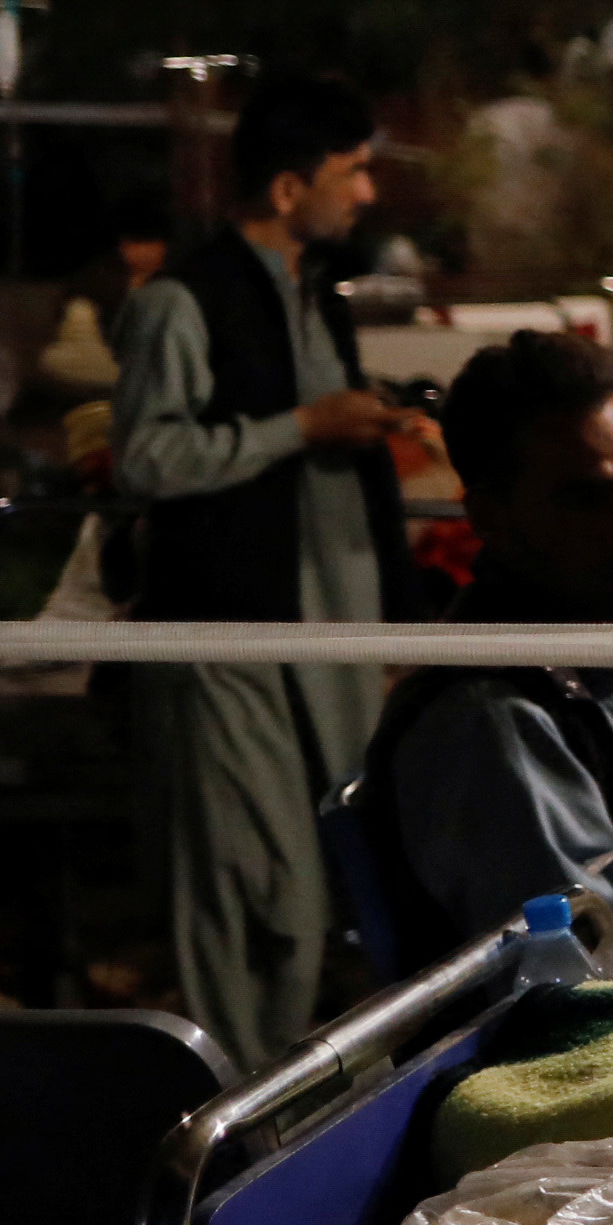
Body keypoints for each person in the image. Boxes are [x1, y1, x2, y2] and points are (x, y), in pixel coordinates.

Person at [112, 69, 429, 1068]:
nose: (367, 193)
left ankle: (272, 1096)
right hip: (230, 634)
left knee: (319, 880)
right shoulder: (181, 301)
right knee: (256, 893)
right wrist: (301, 426)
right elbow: (147, 458)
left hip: (321, 631)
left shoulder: (310, 294)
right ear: (289, 189)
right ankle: (234, 1116)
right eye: (352, 171)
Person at [354, 330, 613, 958]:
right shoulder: (492, 722)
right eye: (583, 499)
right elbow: (593, 977)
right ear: (489, 516)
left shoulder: (610, 658)